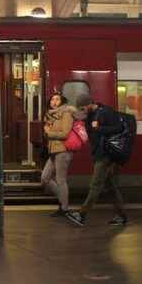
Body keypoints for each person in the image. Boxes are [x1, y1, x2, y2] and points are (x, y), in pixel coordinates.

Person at [66, 94, 128, 226]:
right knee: (110, 187)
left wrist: (99, 129)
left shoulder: (106, 112)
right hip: (99, 154)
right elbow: (89, 131)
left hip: (107, 155)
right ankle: (122, 216)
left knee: (95, 185)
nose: (82, 111)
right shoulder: (90, 115)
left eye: (83, 108)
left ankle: (82, 215)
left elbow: (119, 128)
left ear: (89, 104)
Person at [42, 93, 77, 217]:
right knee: (45, 178)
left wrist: (49, 133)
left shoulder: (66, 113)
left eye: (57, 99)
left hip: (63, 150)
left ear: (62, 102)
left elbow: (65, 134)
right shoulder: (50, 115)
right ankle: (64, 201)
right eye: (52, 99)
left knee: (61, 180)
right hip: (53, 150)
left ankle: (64, 208)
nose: (54, 101)